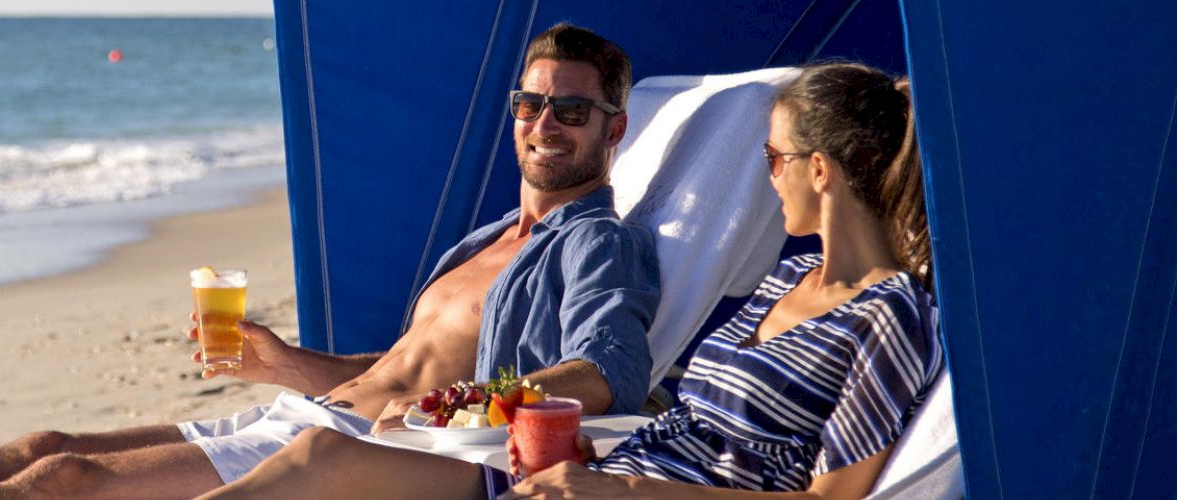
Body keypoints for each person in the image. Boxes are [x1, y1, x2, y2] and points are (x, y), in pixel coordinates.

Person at [0, 23, 660, 500]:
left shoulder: (595, 243)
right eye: (529, 104)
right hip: (322, 411)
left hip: (411, 457)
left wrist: (462, 406)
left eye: (568, 109)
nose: (541, 123)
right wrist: (276, 361)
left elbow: (606, 369)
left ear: (609, 131)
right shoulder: (483, 242)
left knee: (62, 480)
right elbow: (392, 369)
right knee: (42, 441)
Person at [197, 61, 940, 500]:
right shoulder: (789, 283)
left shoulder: (889, 316)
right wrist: (580, 457)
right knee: (321, 462)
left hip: (635, 494)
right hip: (600, 475)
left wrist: (625, 492)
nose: (766, 177)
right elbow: (686, 422)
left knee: (326, 462)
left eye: (774, 159)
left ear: (821, 169)